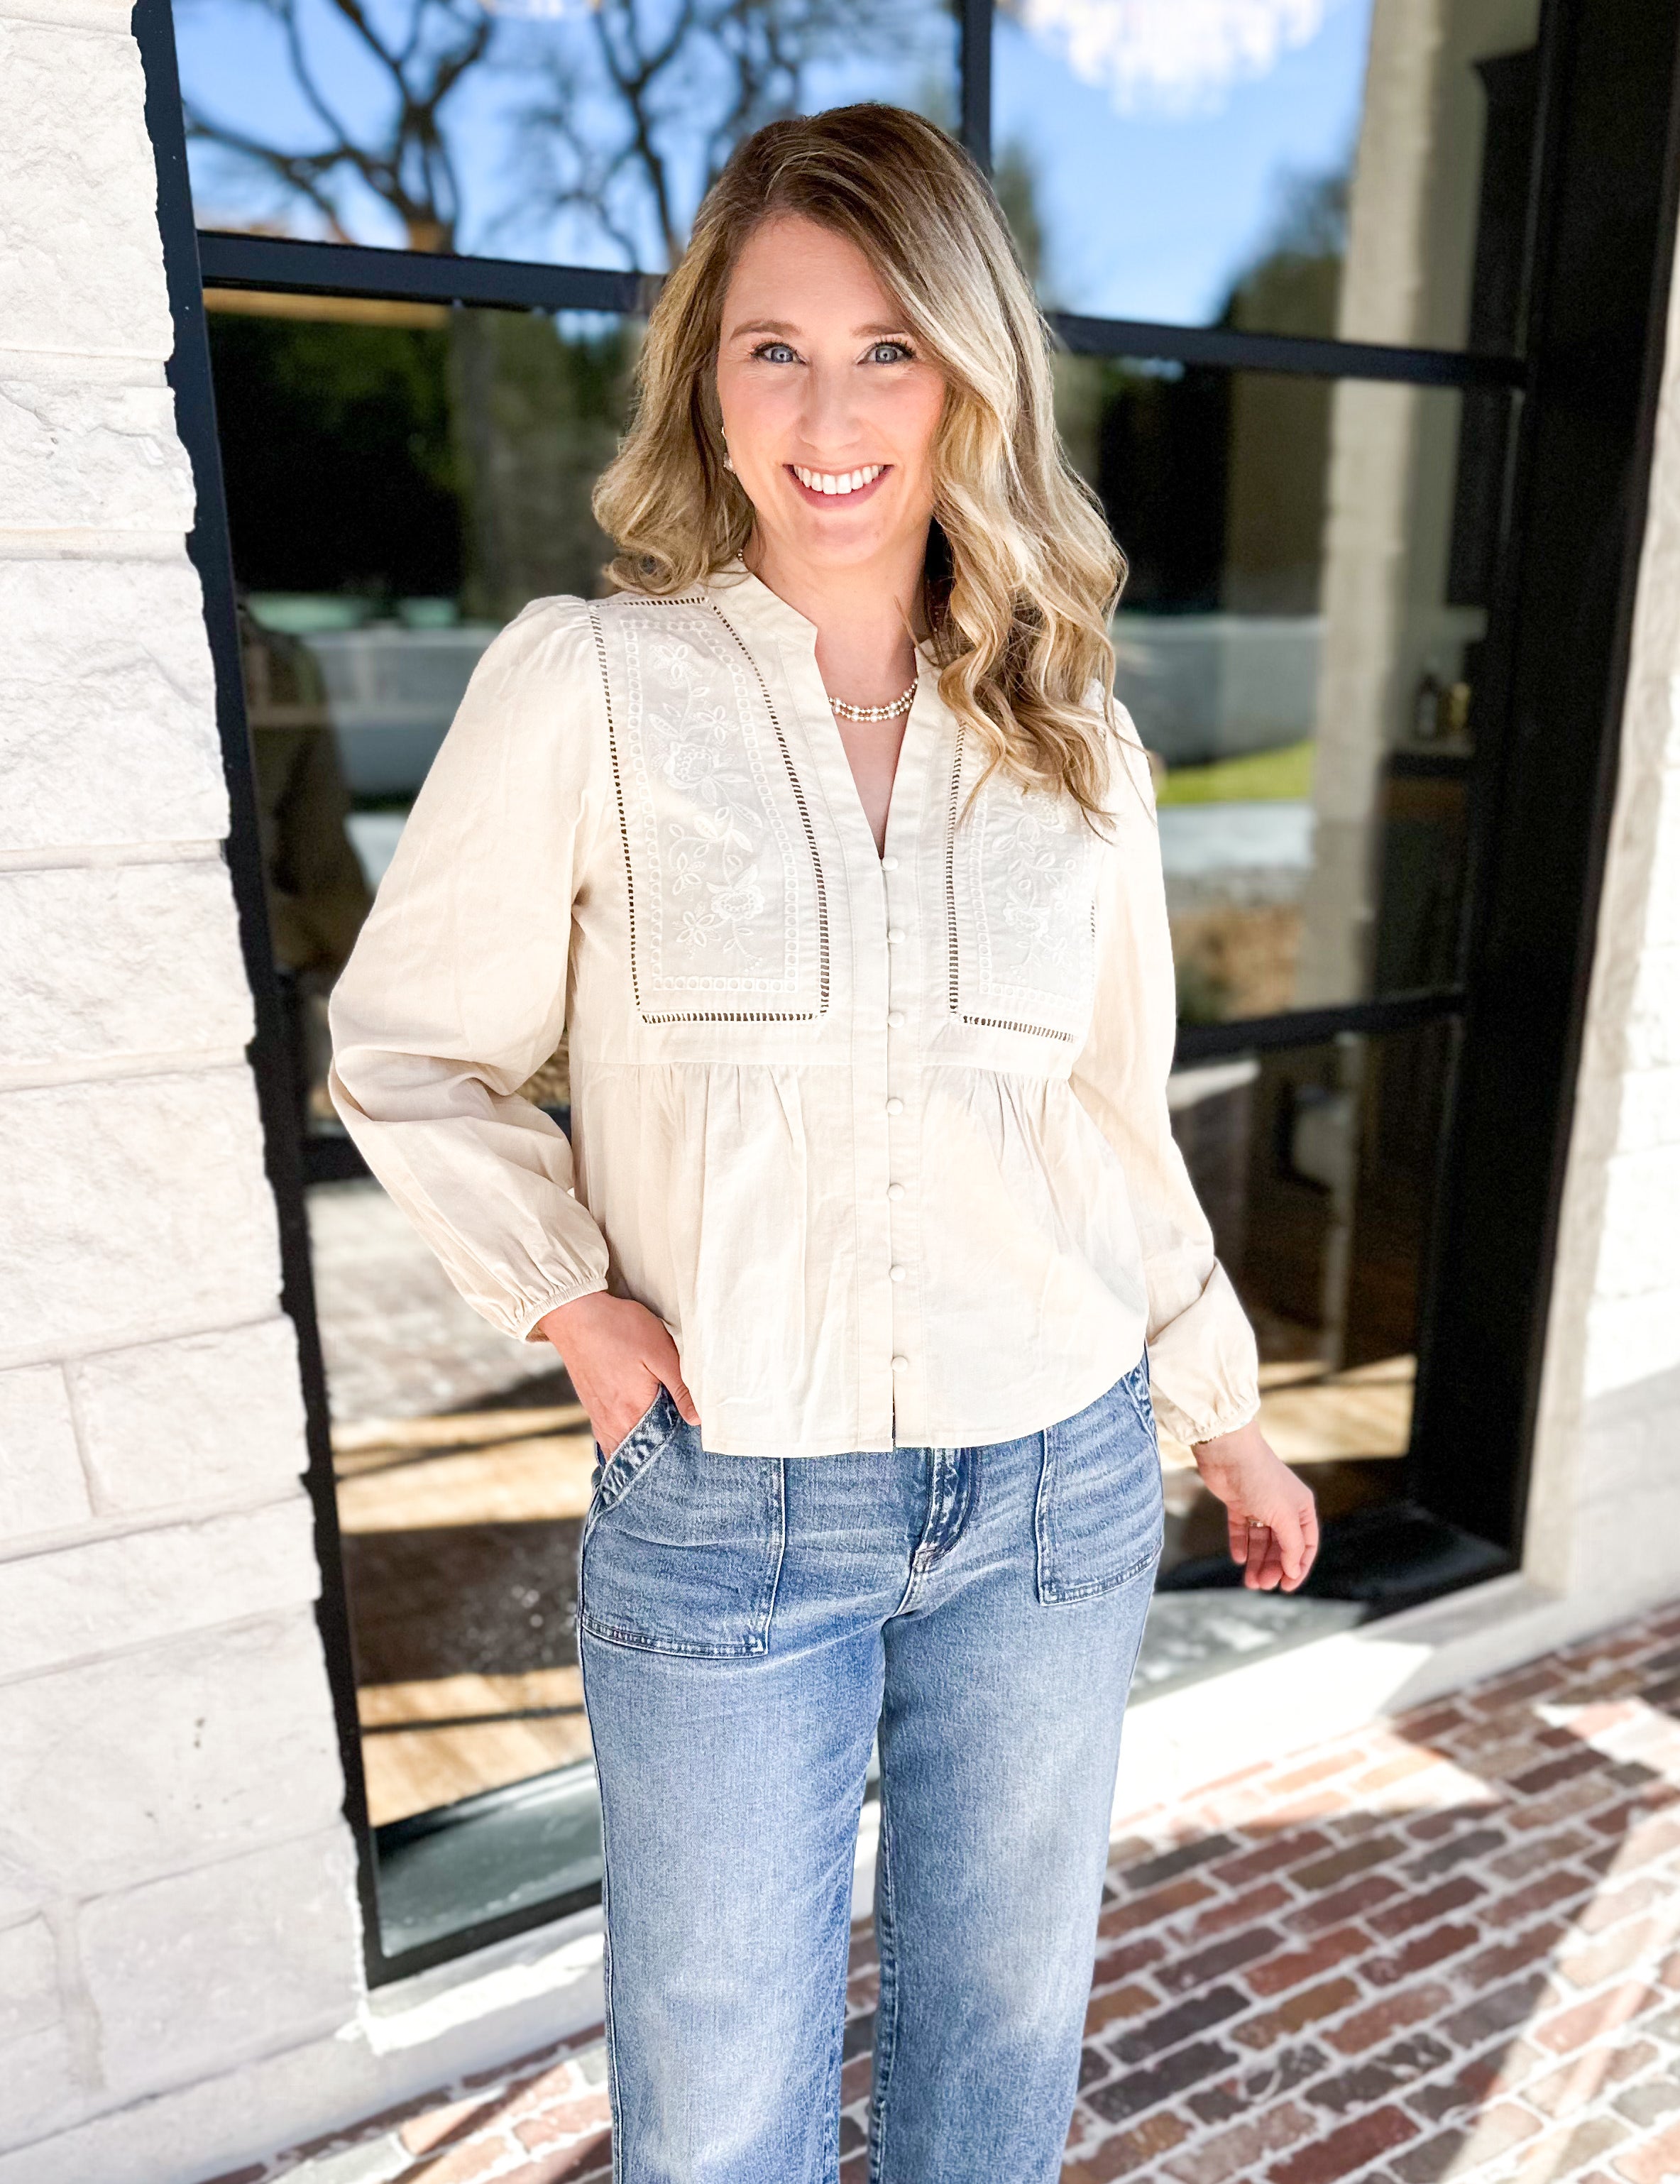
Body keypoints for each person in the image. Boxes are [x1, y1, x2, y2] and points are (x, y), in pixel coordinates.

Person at [329, 103, 1318, 2184]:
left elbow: (1107, 1121)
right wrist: (571, 1300)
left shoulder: (1076, 738)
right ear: (708, 371)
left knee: (993, 2067)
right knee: (716, 2116)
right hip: (724, 1504)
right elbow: (410, 1052)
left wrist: (1220, 1412)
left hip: (1053, 1493)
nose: (833, 409)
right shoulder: (592, 687)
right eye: (775, 346)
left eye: (891, 347)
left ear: (973, 375)